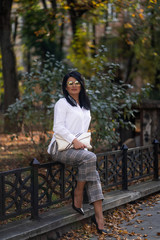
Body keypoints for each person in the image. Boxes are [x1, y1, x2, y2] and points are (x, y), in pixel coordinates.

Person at [47, 71, 107, 234]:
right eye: (70, 83)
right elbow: (58, 127)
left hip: (78, 148)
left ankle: (99, 216)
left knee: (92, 171)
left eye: (76, 82)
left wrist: (81, 144)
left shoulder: (85, 104)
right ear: (66, 87)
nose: (74, 86)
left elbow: (82, 129)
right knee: (91, 159)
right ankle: (78, 192)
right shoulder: (62, 103)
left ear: (81, 84)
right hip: (60, 147)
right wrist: (74, 141)